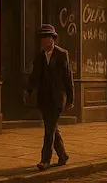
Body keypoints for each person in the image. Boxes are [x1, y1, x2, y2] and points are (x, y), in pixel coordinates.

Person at [24, 24, 74, 171]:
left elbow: (68, 78)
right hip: (44, 98)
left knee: (49, 129)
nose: (44, 41)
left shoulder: (62, 54)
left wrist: (71, 100)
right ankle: (63, 155)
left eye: (47, 37)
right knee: (51, 128)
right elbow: (34, 77)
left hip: (57, 98)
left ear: (53, 39)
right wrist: (28, 91)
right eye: (42, 38)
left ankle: (45, 159)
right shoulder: (39, 56)